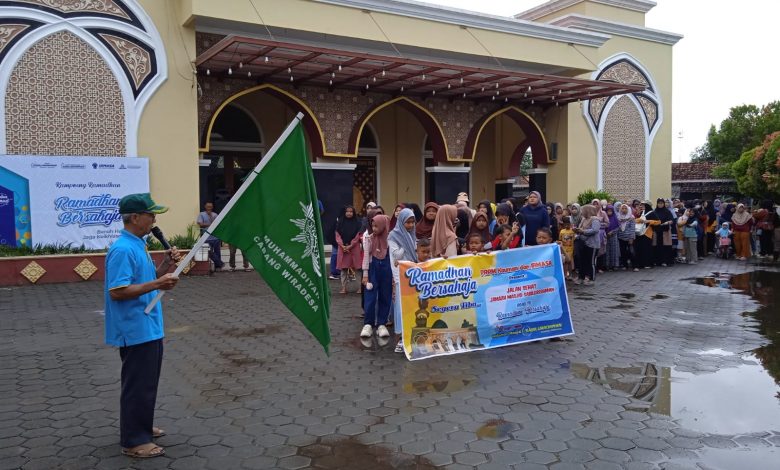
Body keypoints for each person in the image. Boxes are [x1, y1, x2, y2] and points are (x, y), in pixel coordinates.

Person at [106, 193, 180, 459]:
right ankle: (135, 441)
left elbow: (148, 279)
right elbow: (118, 290)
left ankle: (142, 427)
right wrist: (158, 284)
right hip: (134, 328)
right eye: (150, 215)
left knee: (147, 383)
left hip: (148, 325)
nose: (154, 219)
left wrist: (165, 267)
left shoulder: (138, 245)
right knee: (138, 384)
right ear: (135, 217)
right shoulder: (123, 249)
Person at [388, 208, 418, 353]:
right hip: (401, 276)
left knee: (412, 305)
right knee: (401, 306)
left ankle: (412, 335)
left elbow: (416, 252)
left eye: (412, 222)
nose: (411, 225)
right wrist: (405, 246)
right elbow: (396, 256)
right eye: (408, 222)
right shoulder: (393, 235)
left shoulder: (412, 235)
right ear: (401, 222)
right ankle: (401, 338)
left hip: (413, 275)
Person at [361, 214, 393, 339]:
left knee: (386, 295)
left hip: (387, 268)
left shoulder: (391, 238)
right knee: (370, 296)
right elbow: (365, 256)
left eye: (376, 226)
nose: (374, 229)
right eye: (372, 226)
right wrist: (365, 274)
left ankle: (381, 324)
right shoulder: (368, 237)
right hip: (372, 267)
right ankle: (368, 324)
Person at [335, 205, 363, 294]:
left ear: (353, 212)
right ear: (345, 212)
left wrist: (350, 245)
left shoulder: (358, 222)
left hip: (354, 248)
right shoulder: (340, 222)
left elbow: (358, 235)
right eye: (347, 211)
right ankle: (343, 288)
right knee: (343, 269)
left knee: (357, 268)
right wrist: (342, 245)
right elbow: (337, 234)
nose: (349, 213)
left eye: (351, 211)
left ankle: (360, 288)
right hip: (342, 249)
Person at [573, 204, 601, 285]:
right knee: (582, 261)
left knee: (591, 262)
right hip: (583, 243)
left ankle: (591, 279)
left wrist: (583, 231)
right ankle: (581, 277)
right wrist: (577, 231)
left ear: (588, 211)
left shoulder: (595, 220)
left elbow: (595, 230)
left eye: (583, 210)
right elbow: (581, 228)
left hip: (592, 244)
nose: (581, 212)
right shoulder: (584, 219)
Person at [645, 198, 674, 267]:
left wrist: (667, 222)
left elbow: (672, 220)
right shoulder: (654, 212)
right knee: (656, 246)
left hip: (665, 231)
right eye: (659, 203)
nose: (660, 205)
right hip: (656, 231)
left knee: (665, 246)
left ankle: (665, 261)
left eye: (661, 203)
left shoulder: (667, 211)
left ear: (663, 204)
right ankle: (657, 261)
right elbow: (650, 220)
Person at [196, 202, 224, 271]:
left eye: (210, 207)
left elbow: (218, 224)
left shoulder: (215, 214)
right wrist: (211, 224)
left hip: (215, 237)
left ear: (212, 207)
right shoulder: (202, 214)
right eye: (208, 206)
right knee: (209, 252)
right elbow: (200, 224)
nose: (209, 208)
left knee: (217, 252)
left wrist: (211, 218)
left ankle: (218, 267)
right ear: (205, 207)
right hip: (206, 237)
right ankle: (220, 263)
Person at [616, 203, 637, 271]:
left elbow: (632, 228)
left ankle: (634, 266)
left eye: (625, 208)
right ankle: (625, 265)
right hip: (621, 237)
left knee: (631, 252)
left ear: (628, 209)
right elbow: (617, 227)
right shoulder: (618, 217)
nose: (624, 210)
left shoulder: (631, 217)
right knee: (623, 252)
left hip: (629, 238)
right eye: (622, 208)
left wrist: (631, 238)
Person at [604, 205, 620, 271]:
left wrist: (612, 232)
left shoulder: (615, 218)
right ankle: (607, 265)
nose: (609, 212)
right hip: (606, 236)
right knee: (607, 251)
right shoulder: (605, 218)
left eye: (610, 211)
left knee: (614, 251)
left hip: (613, 236)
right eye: (608, 211)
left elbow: (618, 227)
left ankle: (615, 265)